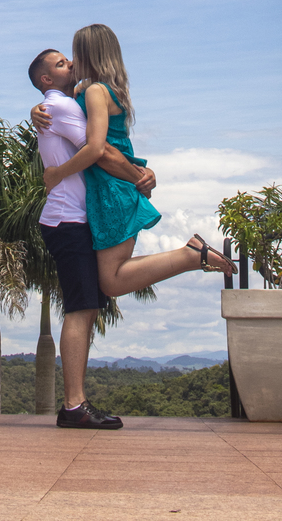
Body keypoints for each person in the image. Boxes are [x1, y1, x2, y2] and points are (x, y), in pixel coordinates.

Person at [33, 24, 235, 301]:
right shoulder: (96, 90)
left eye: (74, 55)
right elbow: (65, 108)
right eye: (66, 60)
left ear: (88, 54)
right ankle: (190, 255)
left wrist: (56, 174)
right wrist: (38, 107)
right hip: (114, 188)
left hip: (110, 190)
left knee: (113, 282)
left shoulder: (92, 92)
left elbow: (98, 150)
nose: (71, 62)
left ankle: (190, 256)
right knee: (112, 280)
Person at [27, 46, 156, 429]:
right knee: (80, 309)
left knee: (85, 306)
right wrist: (140, 176)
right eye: (61, 63)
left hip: (70, 220)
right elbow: (101, 151)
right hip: (68, 221)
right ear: (47, 80)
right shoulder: (63, 107)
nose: (71, 64)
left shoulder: (60, 104)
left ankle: (75, 404)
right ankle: (73, 406)